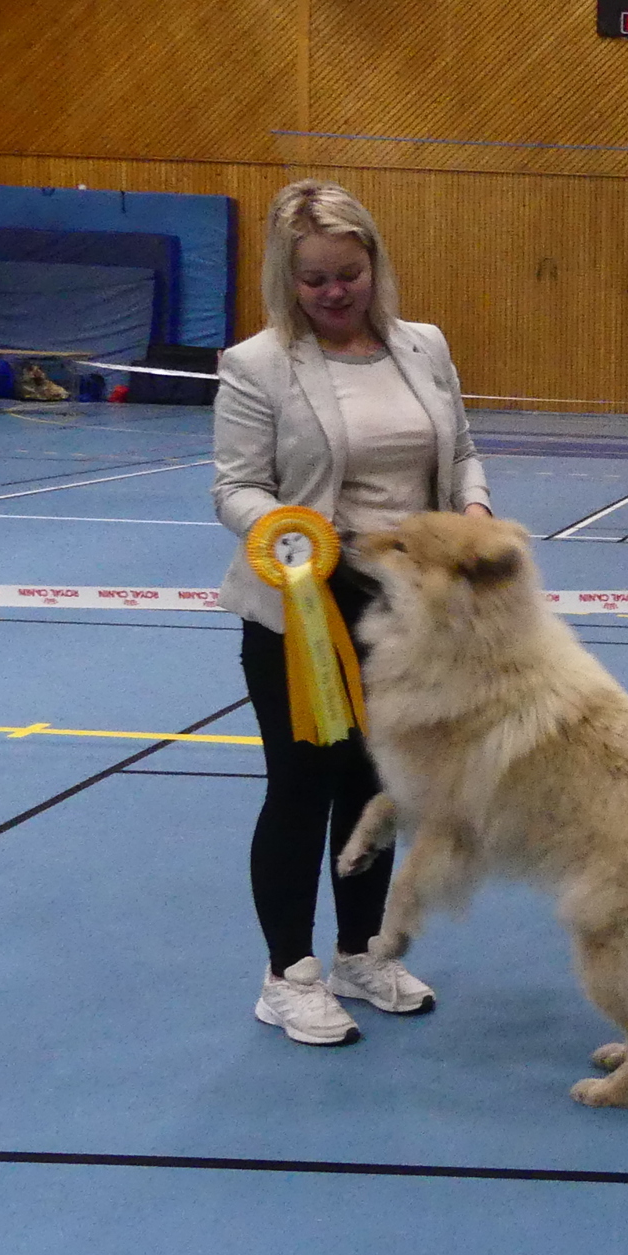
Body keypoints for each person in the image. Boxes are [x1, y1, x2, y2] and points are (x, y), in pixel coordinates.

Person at [212, 180, 493, 1044]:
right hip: (304, 606)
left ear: (375, 264)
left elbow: (462, 451)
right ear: (286, 280)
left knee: (380, 784)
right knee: (301, 788)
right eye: (315, 280)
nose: (336, 292)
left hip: (408, 613)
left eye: (350, 273)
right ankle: (287, 974)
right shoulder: (257, 365)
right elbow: (235, 487)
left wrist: (474, 512)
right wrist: (290, 533)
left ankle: (360, 954)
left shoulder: (424, 346)